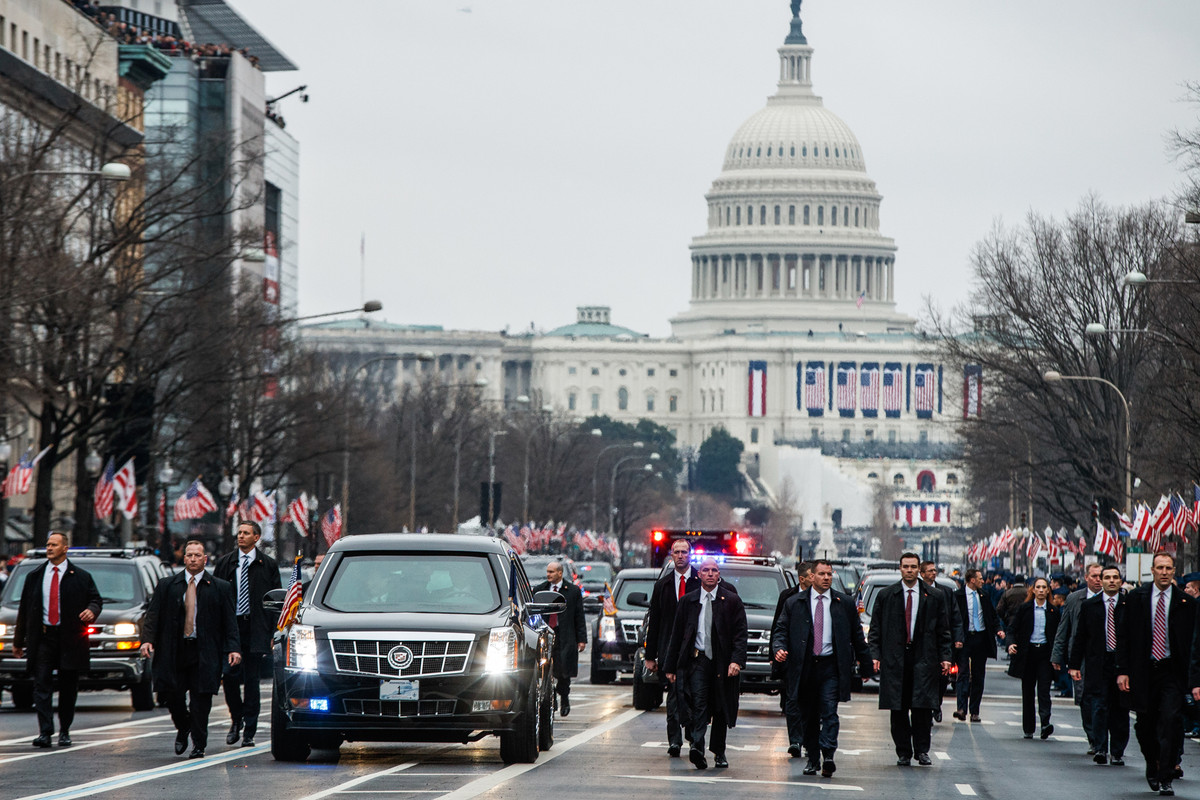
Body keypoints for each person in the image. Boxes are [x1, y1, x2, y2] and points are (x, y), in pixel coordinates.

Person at [141, 540, 242, 758]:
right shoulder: (167, 585)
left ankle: (199, 745)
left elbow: (229, 622)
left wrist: (233, 648)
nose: (193, 559)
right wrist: (147, 640)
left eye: (198, 555)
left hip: (204, 652)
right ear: (184, 558)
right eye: (189, 555)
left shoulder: (219, 587)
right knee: (172, 696)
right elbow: (153, 615)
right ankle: (183, 726)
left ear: (205, 559)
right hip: (174, 652)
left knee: (201, 701)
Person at [771, 560, 871, 778]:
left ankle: (828, 755)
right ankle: (813, 759)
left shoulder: (843, 602)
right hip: (805, 666)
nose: (827, 578)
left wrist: (866, 664)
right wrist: (779, 649)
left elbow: (856, 635)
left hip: (830, 666)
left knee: (829, 711)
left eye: (829, 574)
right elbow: (781, 630)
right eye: (822, 574)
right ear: (812, 577)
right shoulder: (794, 602)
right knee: (808, 715)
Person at [12, 531, 102, 748]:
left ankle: (65, 730)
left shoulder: (80, 576)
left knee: (68, 686)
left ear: (65, 548)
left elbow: (95, 599)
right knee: (41, 684)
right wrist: (18, 641)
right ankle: (45, 732)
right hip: (43, 637)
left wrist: (91, 610)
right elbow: (24, 610)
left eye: (54, 545)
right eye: (48, 544)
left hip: (70, 638)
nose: (49, 548)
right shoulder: (35, 576)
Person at [867, 552, 952, 767]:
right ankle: (903, 752)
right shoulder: (887, 595)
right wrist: (875, 655)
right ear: (900, 568)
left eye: (913, 567)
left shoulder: (934, 596)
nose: (910, 570)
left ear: (918, 569)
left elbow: (943, 630)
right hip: (895, 659)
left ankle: (922, 750)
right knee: (899, 707)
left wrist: (945, 657)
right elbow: (875, 629)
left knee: (923, 708)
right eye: (906, 566)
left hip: (924, 657)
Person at [664, 557, 747, 770]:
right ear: (698, 574)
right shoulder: (688, 601)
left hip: (722, 662)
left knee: (720, 707)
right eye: (706, 570)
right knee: (698, 703)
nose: (710, 574)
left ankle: (719, 752)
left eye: (714, 570)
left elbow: (740, 634)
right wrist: (671, 667)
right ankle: (697, 748)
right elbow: (677, 635)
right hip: (697, 660)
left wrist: (736, 661)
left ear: (719, 575)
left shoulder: (731, 600)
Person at [1122, 553, 1195, 795]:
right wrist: (1122, 672)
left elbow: (1194, 643)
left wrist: (1194, 679)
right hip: (1144, 671)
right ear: (1152, 571)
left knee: (1171, 722)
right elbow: (1124, 637)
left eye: (1168, 568)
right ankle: (1152, 763)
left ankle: (1165, 776)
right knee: (1145, 725)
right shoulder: (1136, 598)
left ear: (1174, 572)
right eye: (1160, 568)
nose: (1164, 572)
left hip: (1172, 672)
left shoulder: (1186, 602)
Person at [213, 521, 280, 747]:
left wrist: (274, 631)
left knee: (252, 680)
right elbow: (215, 597)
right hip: (231, 628)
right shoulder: (225, 563)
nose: (241, 536)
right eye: (239, 532)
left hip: (256, 628)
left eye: (246, 533)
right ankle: (236, 719)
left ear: (256, 537)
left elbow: (275, 602)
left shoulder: (268, 565)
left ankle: (249, 730)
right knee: (230, 676)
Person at [1068, 564, 1129, 766]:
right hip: (1097, 662)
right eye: (1107, 577)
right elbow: (1080, 637)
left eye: (1115, 577)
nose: (1111, 581)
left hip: (1121, 664)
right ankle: (1100, 748)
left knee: (1120, 709)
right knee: (1099, 706)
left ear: (1120, 581)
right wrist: (1074, 665)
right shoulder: (1090, 606)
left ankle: (1117, 751)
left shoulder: (1129, 605)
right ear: (1101, 581)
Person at [644, 538, 699, 756]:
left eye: (684, 552)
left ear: (690, 554)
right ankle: (674, 741)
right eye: (676, 552)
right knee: (674, 697)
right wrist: (651, 656)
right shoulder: (662, 585)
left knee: (695, 696)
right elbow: (654, 621)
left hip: (695, 650)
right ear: (671, 555)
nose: (680, 556)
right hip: (670, 651)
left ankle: (695, 738)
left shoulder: (699, 580)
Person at [1052, 562, 1103, 753]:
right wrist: (1057, 656)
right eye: (1095, 576)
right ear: (1086, 578)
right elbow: (1063, 629)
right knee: (1085, 698)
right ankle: (1093, 738)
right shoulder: (1074, 599)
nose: (1098, 580)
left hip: (1105, 657)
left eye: (1101, 576)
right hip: (1081, 658)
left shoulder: (1115, 599)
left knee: (1105, 700)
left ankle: (1105, 743)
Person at [1007, 577, 1060, 739]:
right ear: (1033, 590)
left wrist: (1058, 657)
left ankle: (1045, 723)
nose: (1042, 590)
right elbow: (1012, 629)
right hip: (1028, 654)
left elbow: (1059, 635)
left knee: (1044, 690)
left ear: (1048, 590)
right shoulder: (1025, 609)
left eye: (1045, 587)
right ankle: (1028, 728)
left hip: (1045, 654)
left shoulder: (1053, 611)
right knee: (1028, 692)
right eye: (1039, 587)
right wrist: (1011, 644)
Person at [532, 561, 586, 716]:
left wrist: (581, 639)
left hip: (566, 637)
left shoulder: (573, 591)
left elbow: (579, 616)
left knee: (564, 671)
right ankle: (551, 697)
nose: (548, 574)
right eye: (547, 571)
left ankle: (565, 698)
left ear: (560, 573)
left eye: (552, 572)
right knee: (546, 668)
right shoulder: (539, 590)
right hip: (545, 636)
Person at [953, 568, 1005, 722]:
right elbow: (953, 619)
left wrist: (998, 630)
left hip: (980, 638)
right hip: (964, 639)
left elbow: (992, 616)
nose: (983, 581)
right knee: (962, 673)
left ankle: (974, 711)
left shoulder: (984, 595)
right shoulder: (958, 596)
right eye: (980, 578)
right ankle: (961, 708)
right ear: (972, 580)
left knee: (978, 675)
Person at [770, 561, 813, 746]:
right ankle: (795, 741)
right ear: (802, 578)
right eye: (813, 575)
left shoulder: (827, 598)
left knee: (811, 700)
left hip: (815, 658)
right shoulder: (788, 597)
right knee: (792, 698)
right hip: (793, 657)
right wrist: (775, 654)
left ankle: (809, 736)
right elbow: (778, 626)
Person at [920, 561, 963, 723]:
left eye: (934, 570)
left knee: (942, 678)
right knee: (924, 679)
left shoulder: (945, 592)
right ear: (922, 573)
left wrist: (958, 638)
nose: (933, 573)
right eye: (930, 571)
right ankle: (925, 710)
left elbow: (956, 617)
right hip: (923, 644)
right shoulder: (918, 591)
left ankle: (936, 704)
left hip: (942, 643)